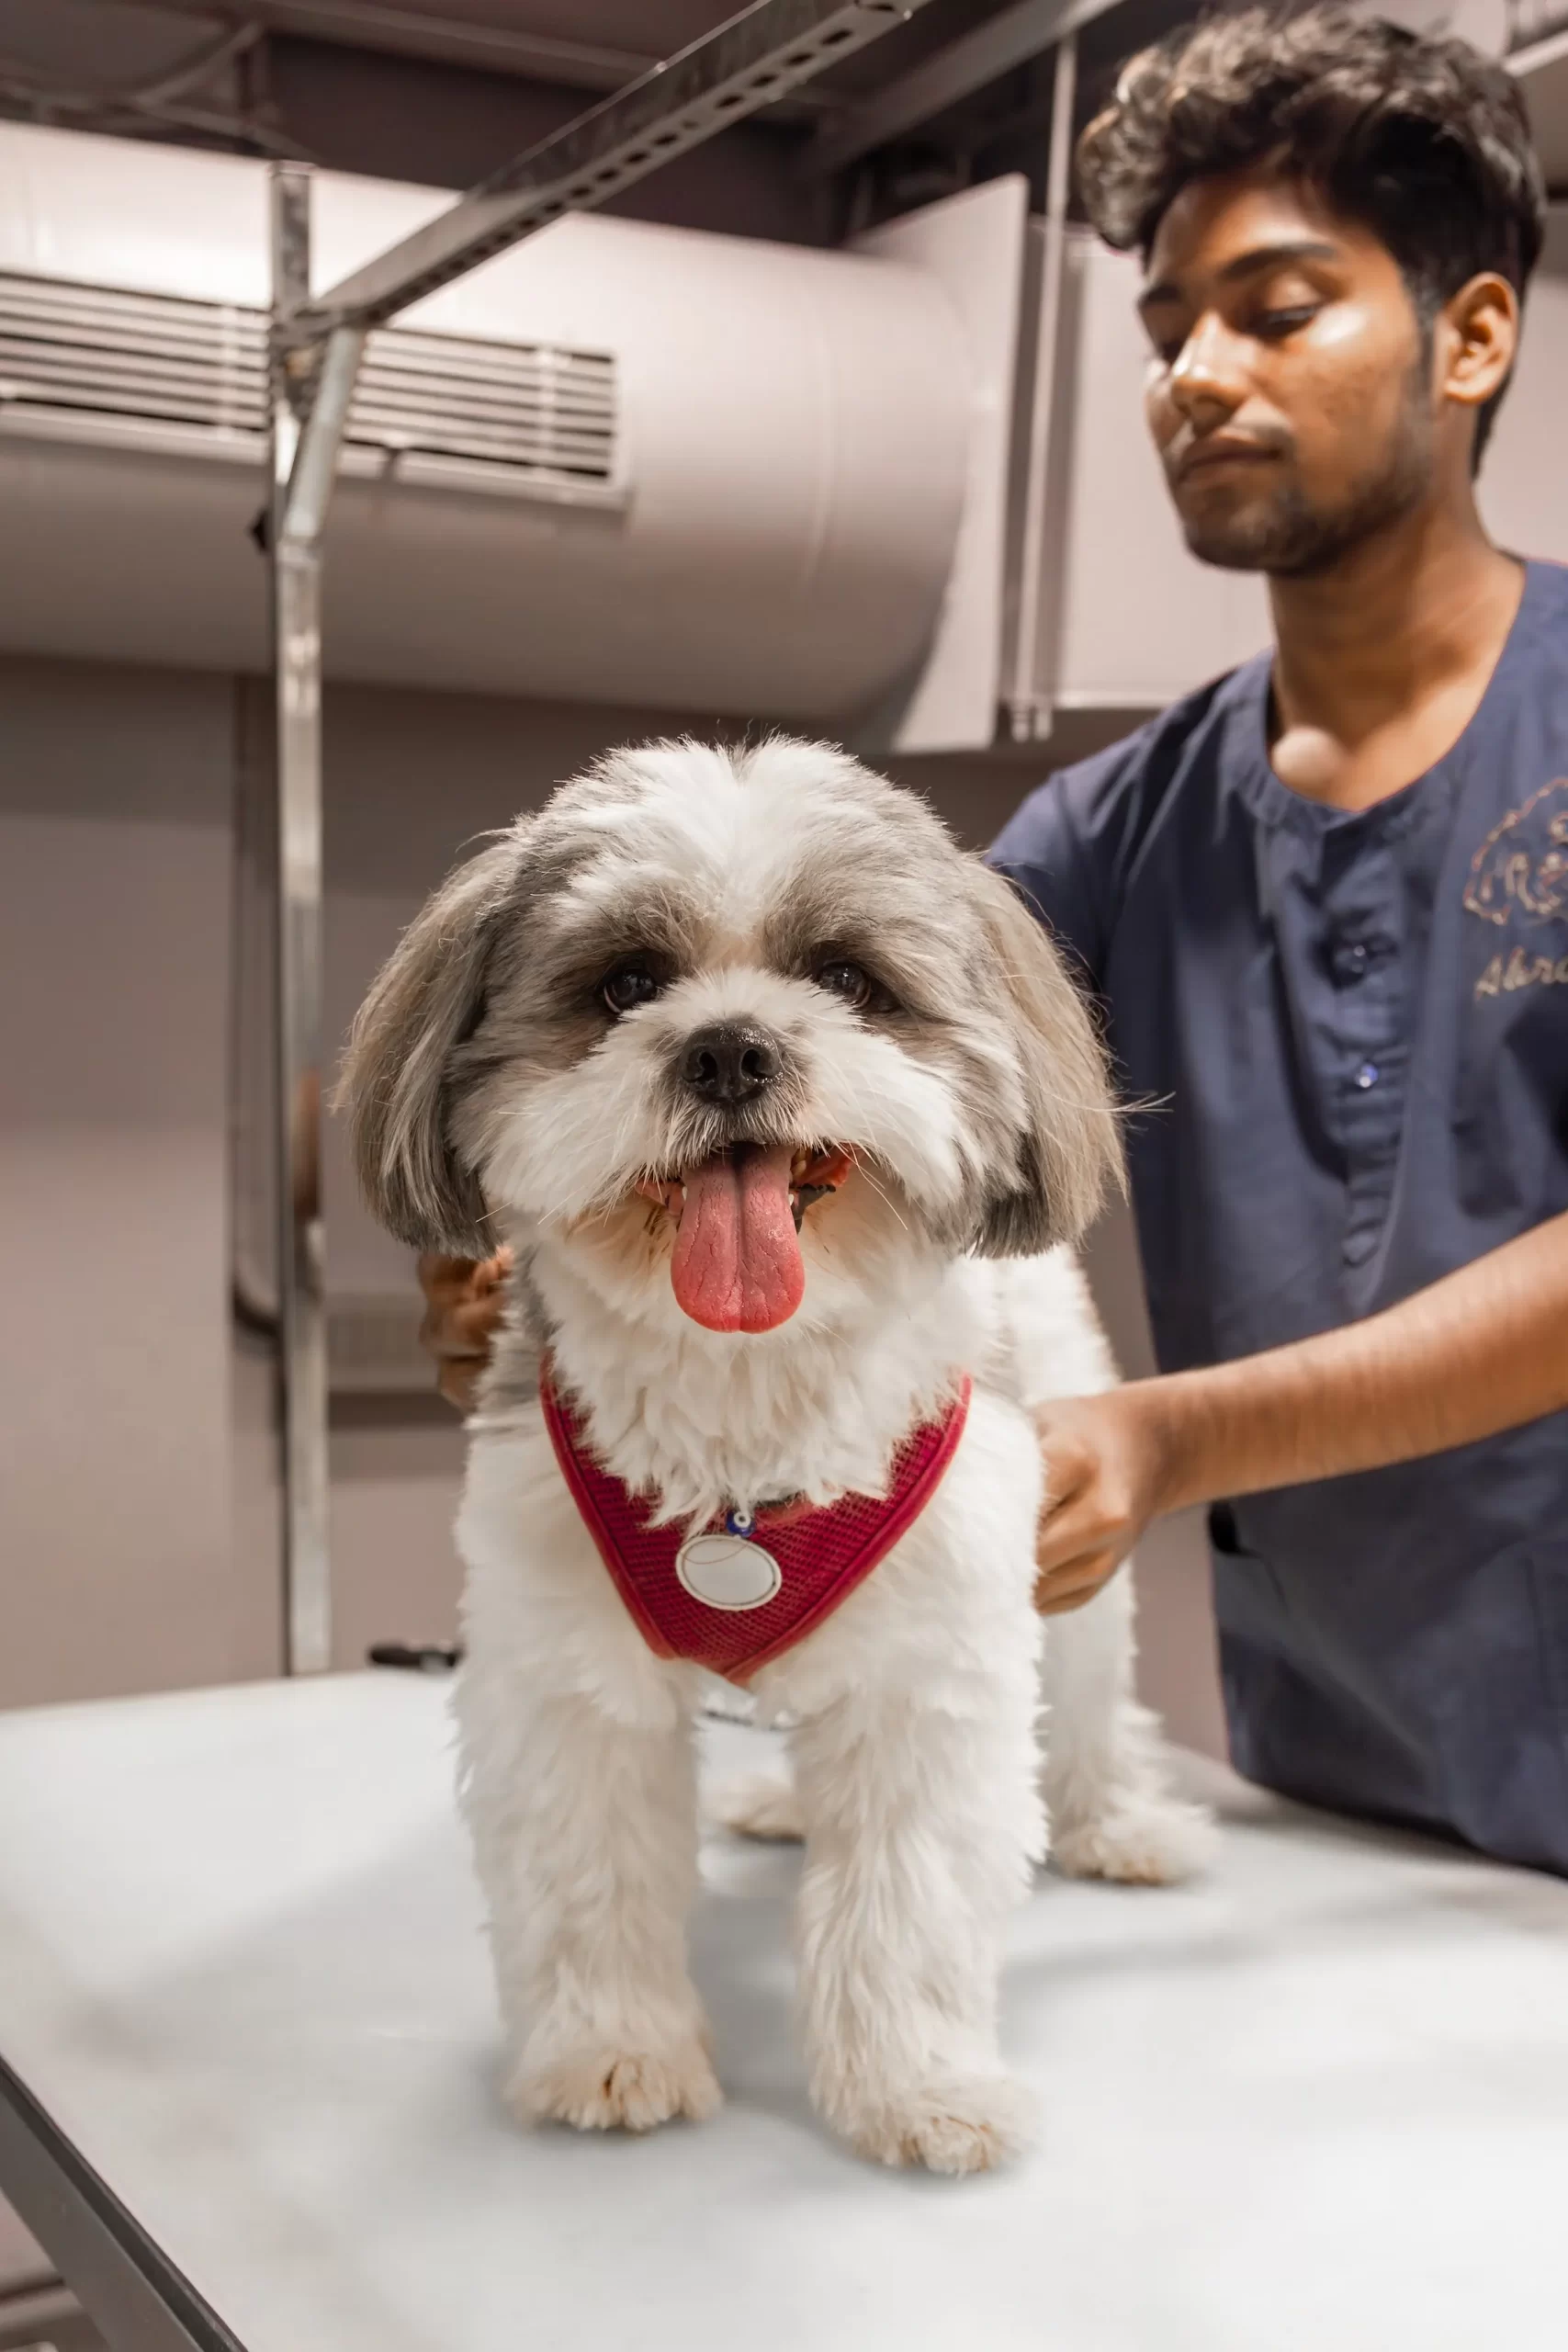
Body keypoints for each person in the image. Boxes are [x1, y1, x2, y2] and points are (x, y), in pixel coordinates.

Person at [412, 8, 1568, 1873]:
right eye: (1167, 328)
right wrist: (558, 1227)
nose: (1196, 375)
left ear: (1475, 334)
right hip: (1338, 1772)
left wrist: (1167, 1436)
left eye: (1275, 309)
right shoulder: (1118, 825)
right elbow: (868, 1091)